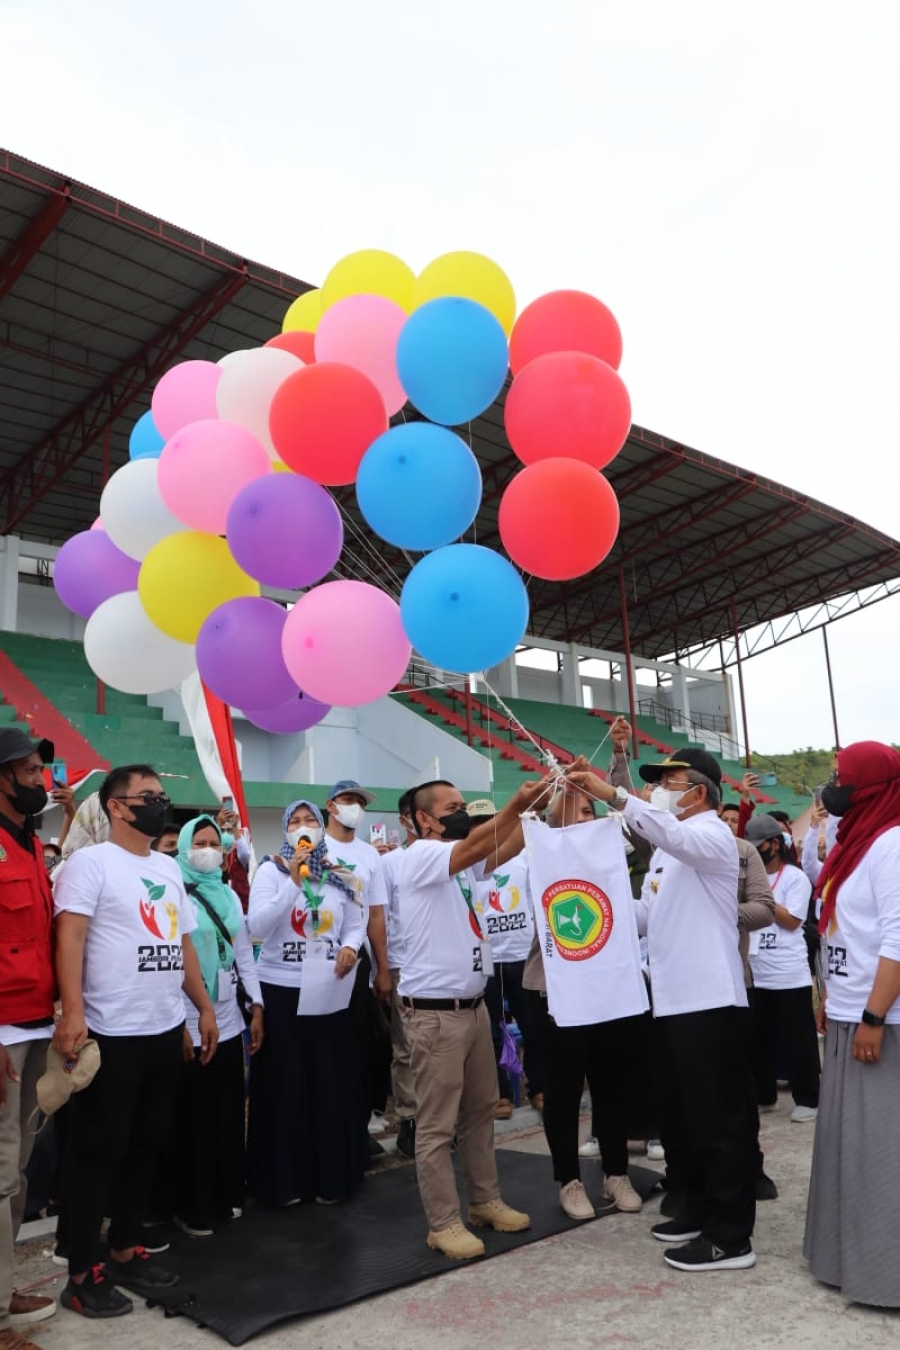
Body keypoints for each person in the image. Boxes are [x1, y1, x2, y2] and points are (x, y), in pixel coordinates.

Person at [570, 749, 759, 1272]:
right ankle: (697, 1209)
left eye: (667, 781)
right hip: (673, 1001)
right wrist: (595, 894)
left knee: (720, 1123)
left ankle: (730, 1238)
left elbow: (671, 833)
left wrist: (615, 795)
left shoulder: (712, 836)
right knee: (684, 1120)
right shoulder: (667, 853)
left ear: (696, 792)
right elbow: (647, 916)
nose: (658, 789)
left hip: (711, 1002)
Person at [53, 765, 219, 1319]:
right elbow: (70, 935)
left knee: (145, 1144)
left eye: (162, 796)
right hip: (109, 1030)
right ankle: (81, 1268)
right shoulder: (90, 863)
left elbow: (183, 944)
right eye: (147, 797)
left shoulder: (168, 870)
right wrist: (73, 1011)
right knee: (96, 1152)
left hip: (162, 1028)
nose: (159, 804)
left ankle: (124, 1246)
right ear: (117, 807)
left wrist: (201, 1009)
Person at [398, 775, 548, 1260]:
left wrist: (540, 805)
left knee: (480, 1112)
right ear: (424, 818)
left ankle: (484, 1201)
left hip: (473, 1008)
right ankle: (443, 1222)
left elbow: (508, 844)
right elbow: (485, 838)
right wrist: (516, 802)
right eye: (452, 806)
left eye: (464, 805)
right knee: (437, 1126)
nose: (462, 813)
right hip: (435, 1016)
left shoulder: (460, 864)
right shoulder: (422, 855)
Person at [522, 779, 648, 1221]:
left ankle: (617, 1173)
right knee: (563, 1090)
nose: (588, 821)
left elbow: (639, 831)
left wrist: (611, 774)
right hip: (556, 989)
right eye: (578, 814)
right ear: (555, 824)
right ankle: (569, 1180)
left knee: (612, 1085)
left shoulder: (610, 860)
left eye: (591, 814)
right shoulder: (538, 862)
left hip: (607, 987)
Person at [804, 742, 900, 1307]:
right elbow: (843, 929)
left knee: (880, 1152)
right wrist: (832, 995)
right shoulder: (855, 841)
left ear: (871, 787)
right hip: (846, 1012)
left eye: (843, 778)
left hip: (879, 1022)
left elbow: (897, 940)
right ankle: (844, 1259)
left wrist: (872, 1015)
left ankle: (884, 1274)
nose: (832, 787)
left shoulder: (891, 844)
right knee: (846, 1147)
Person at [246, 800, 368, 1206]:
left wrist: (351, 948)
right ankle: (285, 1183)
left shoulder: (340, 876)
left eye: (310, 820)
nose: (304, 826)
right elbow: (256, 927)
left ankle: (328, 1178)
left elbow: (355, 924)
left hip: (329, 990)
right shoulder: (271, 870)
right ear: (285, 829)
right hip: (281, 991)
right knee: (286, 1085)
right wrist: (293, 884)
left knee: (326, 1084)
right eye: (295, 821)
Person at [0, 729, 64, 1349]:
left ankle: (2, 1286)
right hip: (2, 1037)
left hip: (33, 1023)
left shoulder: (26, 846)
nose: (39, 779)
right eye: (26, 769)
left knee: (15, 1172)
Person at [171, 815, 264, 1236]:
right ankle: (194, 1205)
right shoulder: (174, 891)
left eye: (214, 842)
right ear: (185, 847)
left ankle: (227, 1194)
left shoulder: (227, 894)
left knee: (228, 1113)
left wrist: (257, 1005)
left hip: (228, 1020)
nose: (207, 849)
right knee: (195, 1117)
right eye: (199, 842)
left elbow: (243, 954)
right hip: (190, 1020)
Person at [323, 780, 392, 1155]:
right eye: (349, 801)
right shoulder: (315, 847)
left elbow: (376, 915)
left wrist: (382, 969)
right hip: (319, 956)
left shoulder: (369, 856)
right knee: (331, 1043)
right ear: (331, 806)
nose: (355, 808)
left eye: (360, 802)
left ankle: (360, 1123)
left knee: (364, 1044)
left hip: (357, 958)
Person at [469, 800, 545, 1121]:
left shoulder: (523, 856)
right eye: (478, 822)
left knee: (533, 1027)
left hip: (520, 954)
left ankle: (538, 1087)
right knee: (495, 1031)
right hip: (488, 959)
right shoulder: (468, 862)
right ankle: (501, 1093)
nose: (485, 826)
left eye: (491, 819)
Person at [745, 814, 820, 1124]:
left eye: (759, 845)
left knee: (799, 1038)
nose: (755, 851)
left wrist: (764, 898)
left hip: (789, 974)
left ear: (775, 844)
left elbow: (792, 921)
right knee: (757, 1038)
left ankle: (808, 1098)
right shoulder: (750, 876)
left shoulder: (795, 878)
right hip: (756, 971)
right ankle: (764, 1095)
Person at [379, 791, 418, 1160]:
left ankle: (443, 1118)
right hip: (404, 964)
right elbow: (381, 917)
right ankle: (410, 1118)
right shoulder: (391, 864)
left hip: (441, 965)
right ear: (407, 819)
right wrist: (383, 970)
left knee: (439, 1049)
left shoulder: (453, 857)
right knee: (406, 1048)